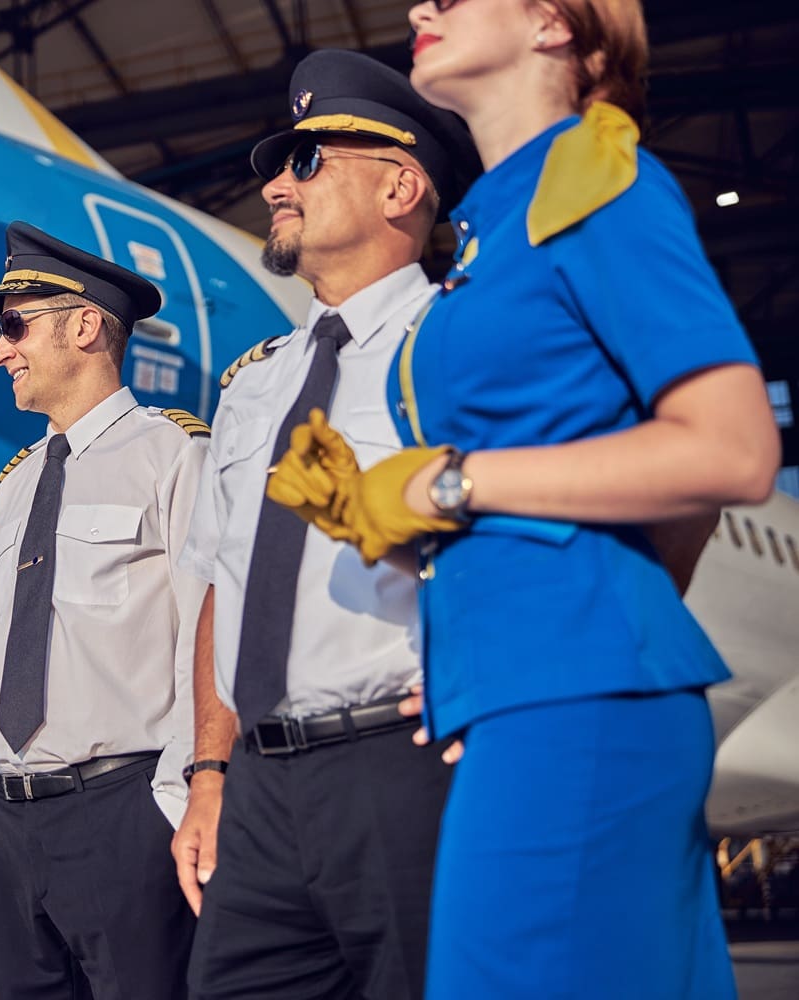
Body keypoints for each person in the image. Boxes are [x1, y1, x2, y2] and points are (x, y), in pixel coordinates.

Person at [269, 3, 781, 997]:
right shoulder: (490, 230)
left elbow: (731, 450)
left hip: (577, 701)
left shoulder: (597, 182)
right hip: (529, 692)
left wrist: (448, 483)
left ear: (554, 24)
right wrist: (471, 650)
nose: (420, 7)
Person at [171, 49, 482, 1000]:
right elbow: (227, 583)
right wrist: (211, 772)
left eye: (306, 160)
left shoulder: (461, 345)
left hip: (402, 765)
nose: (273, 182)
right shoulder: (254, 385)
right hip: (259, 785)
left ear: (401, 186)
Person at [0, 221, 208, 997]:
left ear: (87, 326)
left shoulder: (177, 457)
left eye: (14, 326)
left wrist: (174, 802)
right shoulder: (13, 486)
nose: (0, 351)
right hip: (4, 822)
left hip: (122, 813)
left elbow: (210, 633)